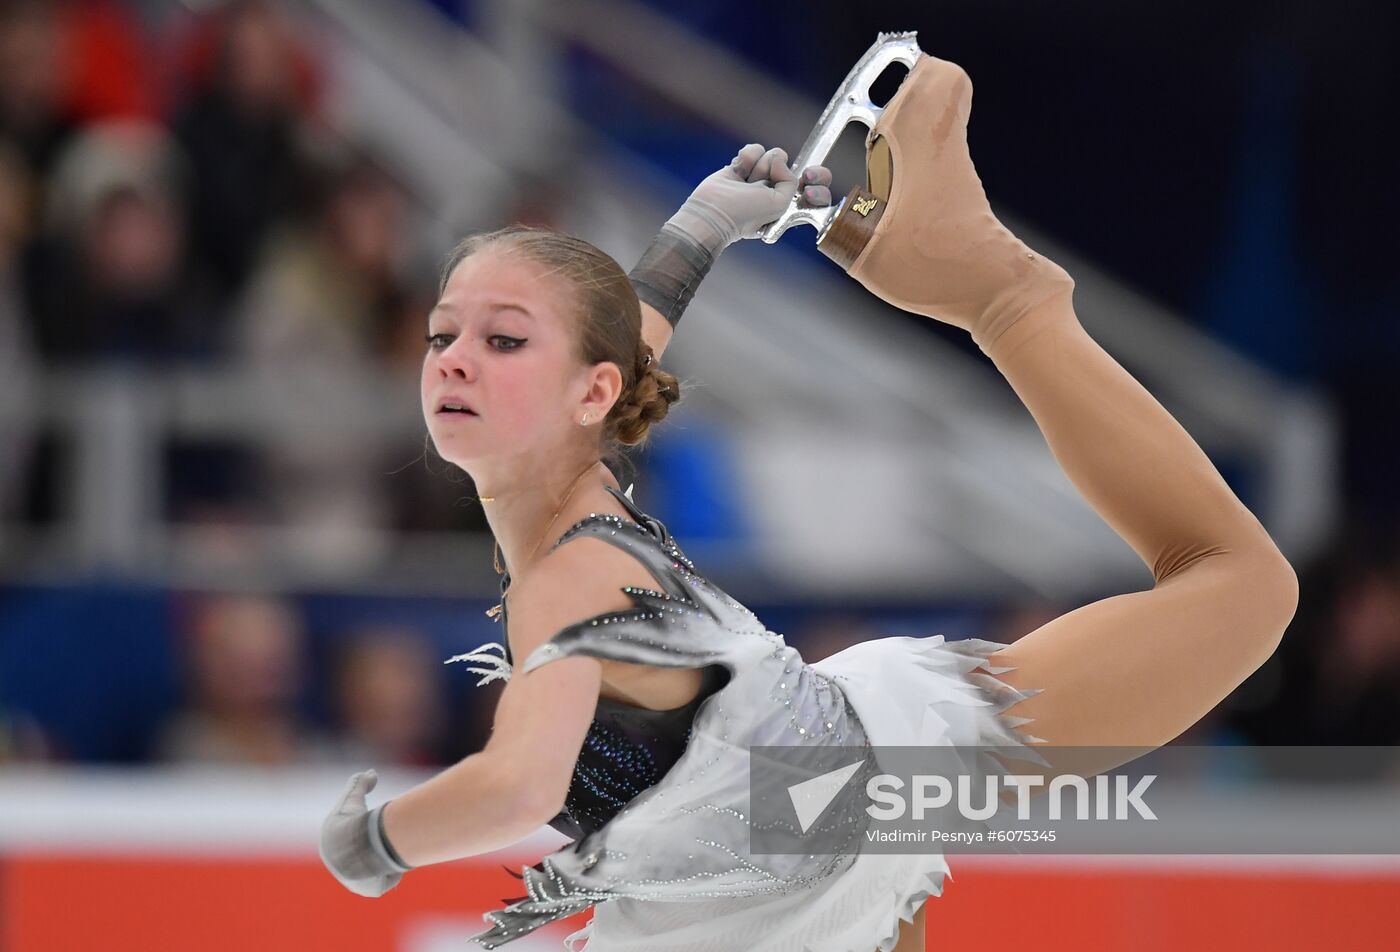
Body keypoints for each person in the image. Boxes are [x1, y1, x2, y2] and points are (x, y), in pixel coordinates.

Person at [320, 55, 1298, 952]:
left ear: (585, 392)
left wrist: (372, 841)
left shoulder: (569, 574)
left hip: (790, 828)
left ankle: (1003, 302)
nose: (451, 355)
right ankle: (994, 301)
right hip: (767, 836)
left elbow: (516, 785)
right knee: (1237, 587)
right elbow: (626, 355)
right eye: (443, 333)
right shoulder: (571, 486)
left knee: (1239, 588)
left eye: (500, 340)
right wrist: (697, 231)